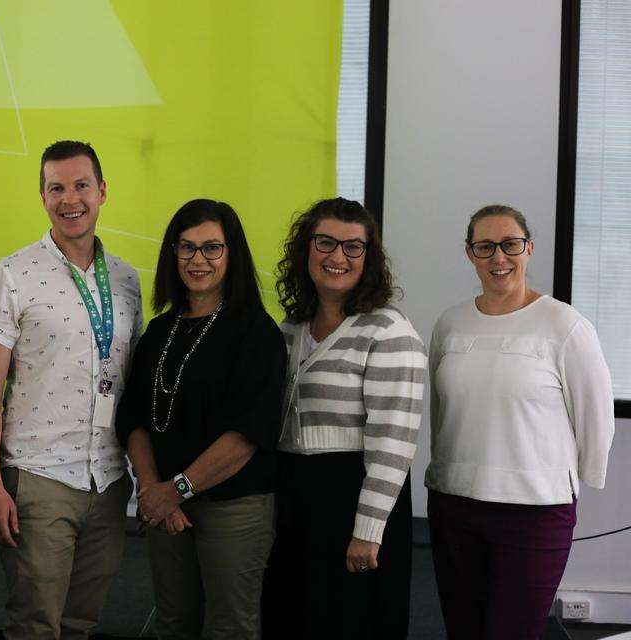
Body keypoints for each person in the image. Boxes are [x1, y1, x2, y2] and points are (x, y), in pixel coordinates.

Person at [0, 140, 142, 639]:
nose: (71, 199)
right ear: (42, 197)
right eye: (56, 188)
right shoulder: (12, 275)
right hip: (37, 478)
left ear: (103, 191)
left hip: (108, 481)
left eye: (81, 185)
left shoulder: (127, 281)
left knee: (80, 624)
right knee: (35, 627)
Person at [426, 204, 614, 639]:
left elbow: (596, 419)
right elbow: (440, 413)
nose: (498, 257)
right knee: (464, 629)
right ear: (469, 253)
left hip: (535, 511)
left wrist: (578, 485)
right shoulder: (450, 324)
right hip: (454, 504)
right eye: (485, 246)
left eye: (510, 244)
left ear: (528, 248)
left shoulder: (565, 326)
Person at [114, 198, 284, 639]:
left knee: (229, 628)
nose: (198, 260)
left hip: (234, 507)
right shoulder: (159, 331)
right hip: (165, 505)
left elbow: (248, 433)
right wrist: (153, 489)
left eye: (212, 248)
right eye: (186, 247)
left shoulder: (256, 332)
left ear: (233, 254)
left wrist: (177, 489)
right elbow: (133, 417)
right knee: (173, 622)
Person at [264, 197, 426, 639]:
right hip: (297, 498)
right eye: (326, 243)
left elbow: (392, 445)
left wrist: (368, 533)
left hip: (354, 499)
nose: (338, 257)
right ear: (306, 249)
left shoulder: (388, 331)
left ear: (369, 258)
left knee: (350, 622)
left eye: (353, 247)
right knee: (293, 618)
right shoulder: (293, 327)